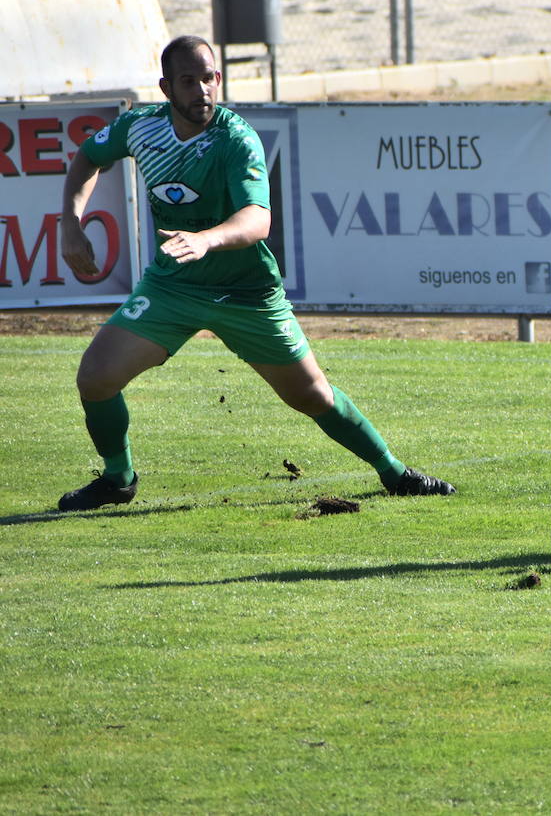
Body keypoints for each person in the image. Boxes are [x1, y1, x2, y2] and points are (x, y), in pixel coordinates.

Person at [56, 35, 454, 510]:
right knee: (95, 377)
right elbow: (88, 157)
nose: (202, 89)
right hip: (173, 285)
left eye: (209, 78)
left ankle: (394, 473)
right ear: (166, 88)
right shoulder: (140, 128)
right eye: (189, 80)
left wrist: (206, 239)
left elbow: (257, 219)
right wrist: (71, 224)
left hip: (246, 292)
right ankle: (118, 480)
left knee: (311, 395)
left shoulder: (235, 139)